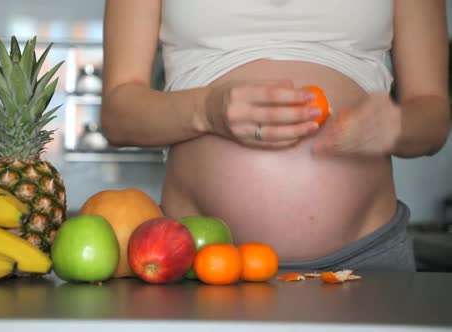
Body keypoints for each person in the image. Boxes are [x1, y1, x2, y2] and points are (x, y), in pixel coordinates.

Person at [100, 0, 450, 271]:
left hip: (367, 260)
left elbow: (433, 117)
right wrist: (208, 110)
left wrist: (396, 126)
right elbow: (118, 114)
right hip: (196, 257)